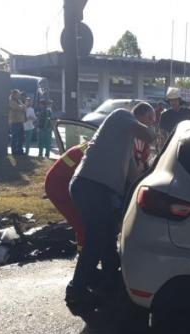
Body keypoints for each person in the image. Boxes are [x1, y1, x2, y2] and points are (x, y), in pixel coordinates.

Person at [66, 103, 157, 311]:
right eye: (151, 119)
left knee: (107, 240)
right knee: (96, 240)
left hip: (99, 191)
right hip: (89, 187)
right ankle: (76, 291)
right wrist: (160, 135)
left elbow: (135, 179)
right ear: (141, 115)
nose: (151, 123)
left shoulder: (124, 149)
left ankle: (107, 285)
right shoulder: (121, 116)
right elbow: (149, 136)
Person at [44, 143, 88, 251]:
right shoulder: (88, 152)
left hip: (60, 182)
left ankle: (86, 255)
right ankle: (82, 257)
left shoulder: (87, 147)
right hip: (58, 187)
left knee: (83, 223)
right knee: (82, 225)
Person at [8, 89, 26, 155]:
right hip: (14, 122)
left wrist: (22, 107)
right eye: (18, 94)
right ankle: (14, 151)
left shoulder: (19, 101)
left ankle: (20, 150)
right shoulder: (11, 101)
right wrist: (22, 107)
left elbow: (25, 107)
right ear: (14, 94)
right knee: (15, 137)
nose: (19, 96)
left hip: (21, 121)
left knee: (21, 137)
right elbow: (17, 107)